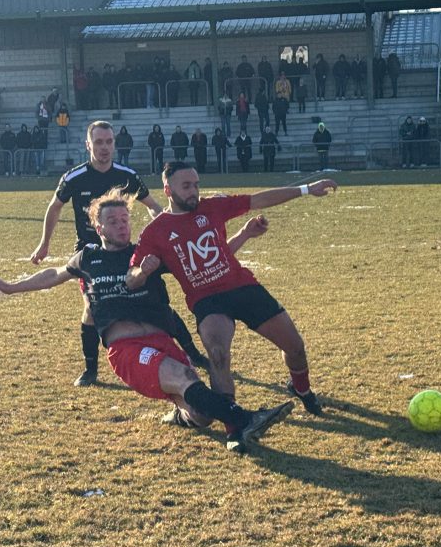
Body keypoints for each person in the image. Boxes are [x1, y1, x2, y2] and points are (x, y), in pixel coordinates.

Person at [0, 188, 293, 453]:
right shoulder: (88, 258)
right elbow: (53, 275)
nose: (122, 226)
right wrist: (13, 287)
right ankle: (244, 419)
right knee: (186, 379)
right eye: (113, 222)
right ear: (99, 227)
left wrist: (245, 234)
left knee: (202, 415)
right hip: (128, 349)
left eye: (125, 220)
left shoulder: (147, 252)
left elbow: (210, 257)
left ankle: (183, 415)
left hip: (163, 342)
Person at [128, 163, 338, 416]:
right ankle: (233, 421)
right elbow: (131, 279)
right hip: (206, 300)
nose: (193, 191)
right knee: (217, 354)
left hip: (242, 288)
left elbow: (258, 199)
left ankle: (301, 389)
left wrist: (306, 189)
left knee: (294, 347)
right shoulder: (155, 232)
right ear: (168, 190)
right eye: (186, 186)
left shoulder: (213, 207)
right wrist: (143, 271)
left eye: (196, 185)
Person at [29, 120, 206, 386]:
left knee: (155, 300)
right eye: (98, 142)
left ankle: (192, 352)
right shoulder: (74, 177)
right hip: (90, 255)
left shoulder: (127, 175)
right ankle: (91, 370)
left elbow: (153, 206)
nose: (104, 148)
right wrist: (44, 243)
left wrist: (168, 230)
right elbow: (55, 207)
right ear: (88, 144)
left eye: (109, 142)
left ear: (115, 143)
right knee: (91, 308)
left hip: (122, 251)